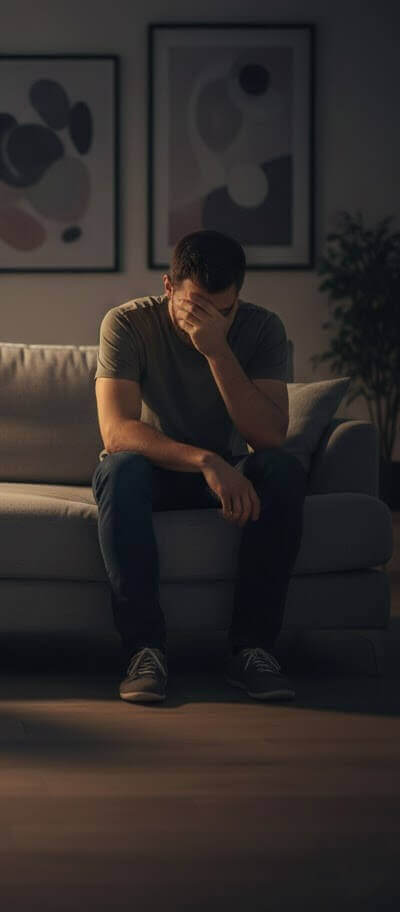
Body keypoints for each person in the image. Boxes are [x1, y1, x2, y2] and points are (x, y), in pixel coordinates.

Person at [92, 229, 306, 705]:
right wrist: (205, 460)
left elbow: (268, 436)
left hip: (229, 472)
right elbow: (117, 432)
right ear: (169, 286)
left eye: (223, 309)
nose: (208, 317)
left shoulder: (261, 329)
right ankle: (144, 651)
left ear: (238, 297)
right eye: (195, 306)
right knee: (118, 470)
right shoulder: (127, 323)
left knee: (282, 470)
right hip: (156, 471)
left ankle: (252, 650)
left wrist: (216, 348)